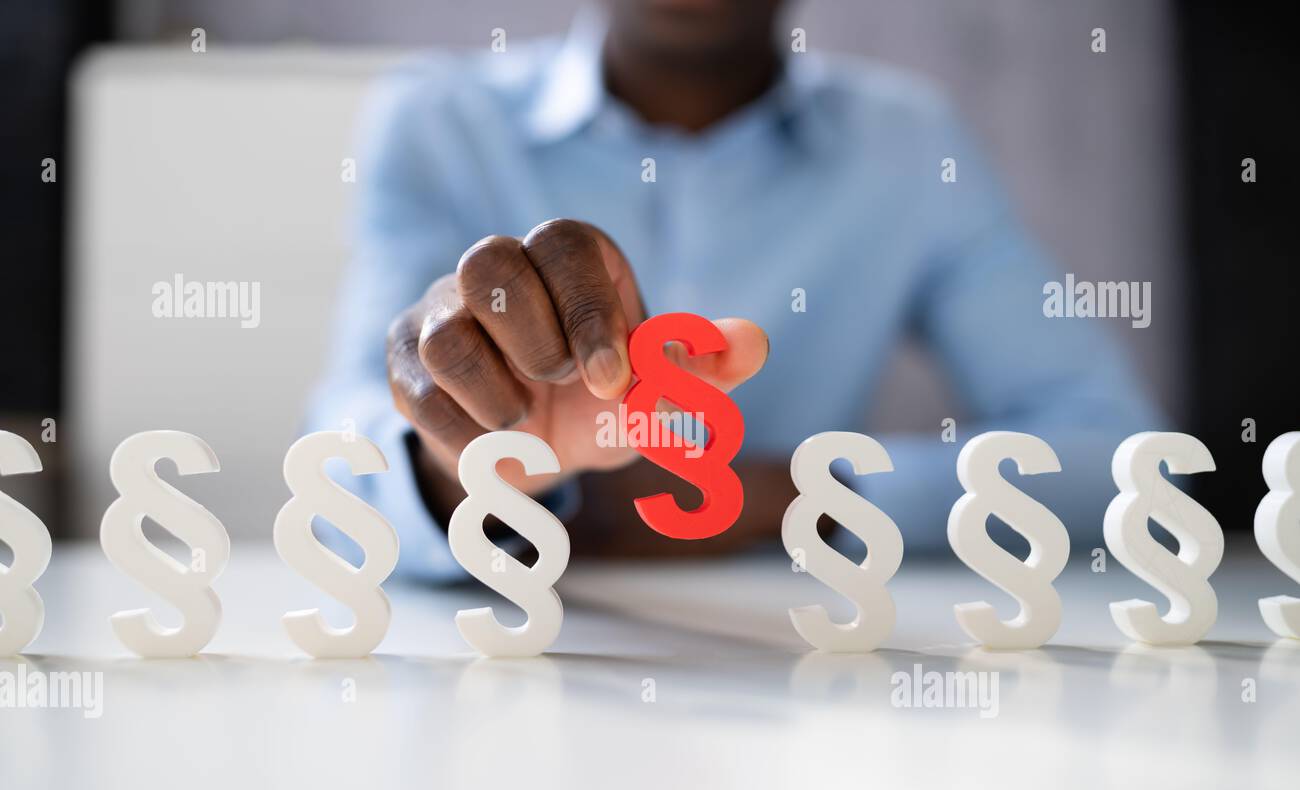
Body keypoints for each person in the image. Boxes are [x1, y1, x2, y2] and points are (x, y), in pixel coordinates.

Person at [308, 0, 1162, 578]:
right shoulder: (438, 122)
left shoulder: (909, 143)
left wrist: (789, 497)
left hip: (812, 660)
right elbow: (336, 493)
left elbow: (1120, 461)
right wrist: (468, 464)